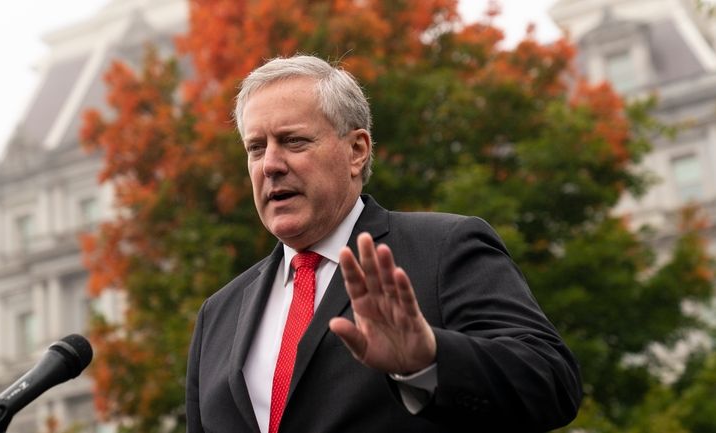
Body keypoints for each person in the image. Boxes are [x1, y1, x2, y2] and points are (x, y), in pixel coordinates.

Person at [185, 55, 582, 433]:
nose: (270, 164)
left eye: (293, 141)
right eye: (256, 147)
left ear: (356, 151)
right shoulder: (218, 314)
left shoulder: (444, 249)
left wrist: (428, 361)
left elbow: (550, 381)